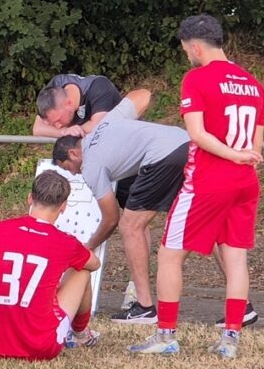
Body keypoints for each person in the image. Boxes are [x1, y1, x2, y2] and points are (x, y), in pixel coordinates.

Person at [130, 14, 264, 359]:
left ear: (194, 47)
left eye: (184, 49)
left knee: (170, 254)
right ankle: (230, 339)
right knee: (236, 257)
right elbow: (256, 146)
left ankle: (166, 335)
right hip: (245, 182)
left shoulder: (197, 78)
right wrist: (242, 157)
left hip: (209, 181)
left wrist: (231, 155)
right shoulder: (254, 84)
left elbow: (198, 134)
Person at [52, 89, 185, 324]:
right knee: (206, 219)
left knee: (130, 226)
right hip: (187, 141)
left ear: (73, 153)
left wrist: (88, 246)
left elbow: (111, 219)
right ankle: (242, 306)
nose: (72, 173)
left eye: (67, 167)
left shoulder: (90, 166)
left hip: (162, 157)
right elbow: (143, 94)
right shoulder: (106, 122)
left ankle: (144, 306)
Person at [0, 171, 101, 360]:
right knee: (82, 272)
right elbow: (94, 264)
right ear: (63, 206)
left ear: (30, 198)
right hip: (40, 346)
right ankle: (80, 333)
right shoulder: (65, 242)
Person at [32, 74, 123, 138]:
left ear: (68, 103)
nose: (58, 126)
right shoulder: (55, 86)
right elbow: (37, 129)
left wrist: (73, 131)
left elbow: (97, 127)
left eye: (58, 121)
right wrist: (64, 132)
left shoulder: (100, 88)